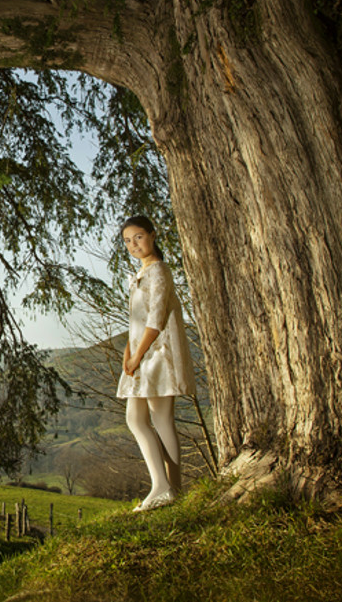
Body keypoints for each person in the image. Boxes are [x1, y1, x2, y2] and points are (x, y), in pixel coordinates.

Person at [116, 215, 196, 512]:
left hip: (157, 355)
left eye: (138, 237)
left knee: (160, 420)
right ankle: (169, 488)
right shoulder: (142, 272)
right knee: (136, 418)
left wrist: (138, 355)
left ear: (152, 234)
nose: (133, 244)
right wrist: (128, 352)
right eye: (127, 241)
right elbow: (136, 322)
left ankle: (166, 488)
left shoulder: (159, 270)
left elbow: (156, 318)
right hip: (141, 355)